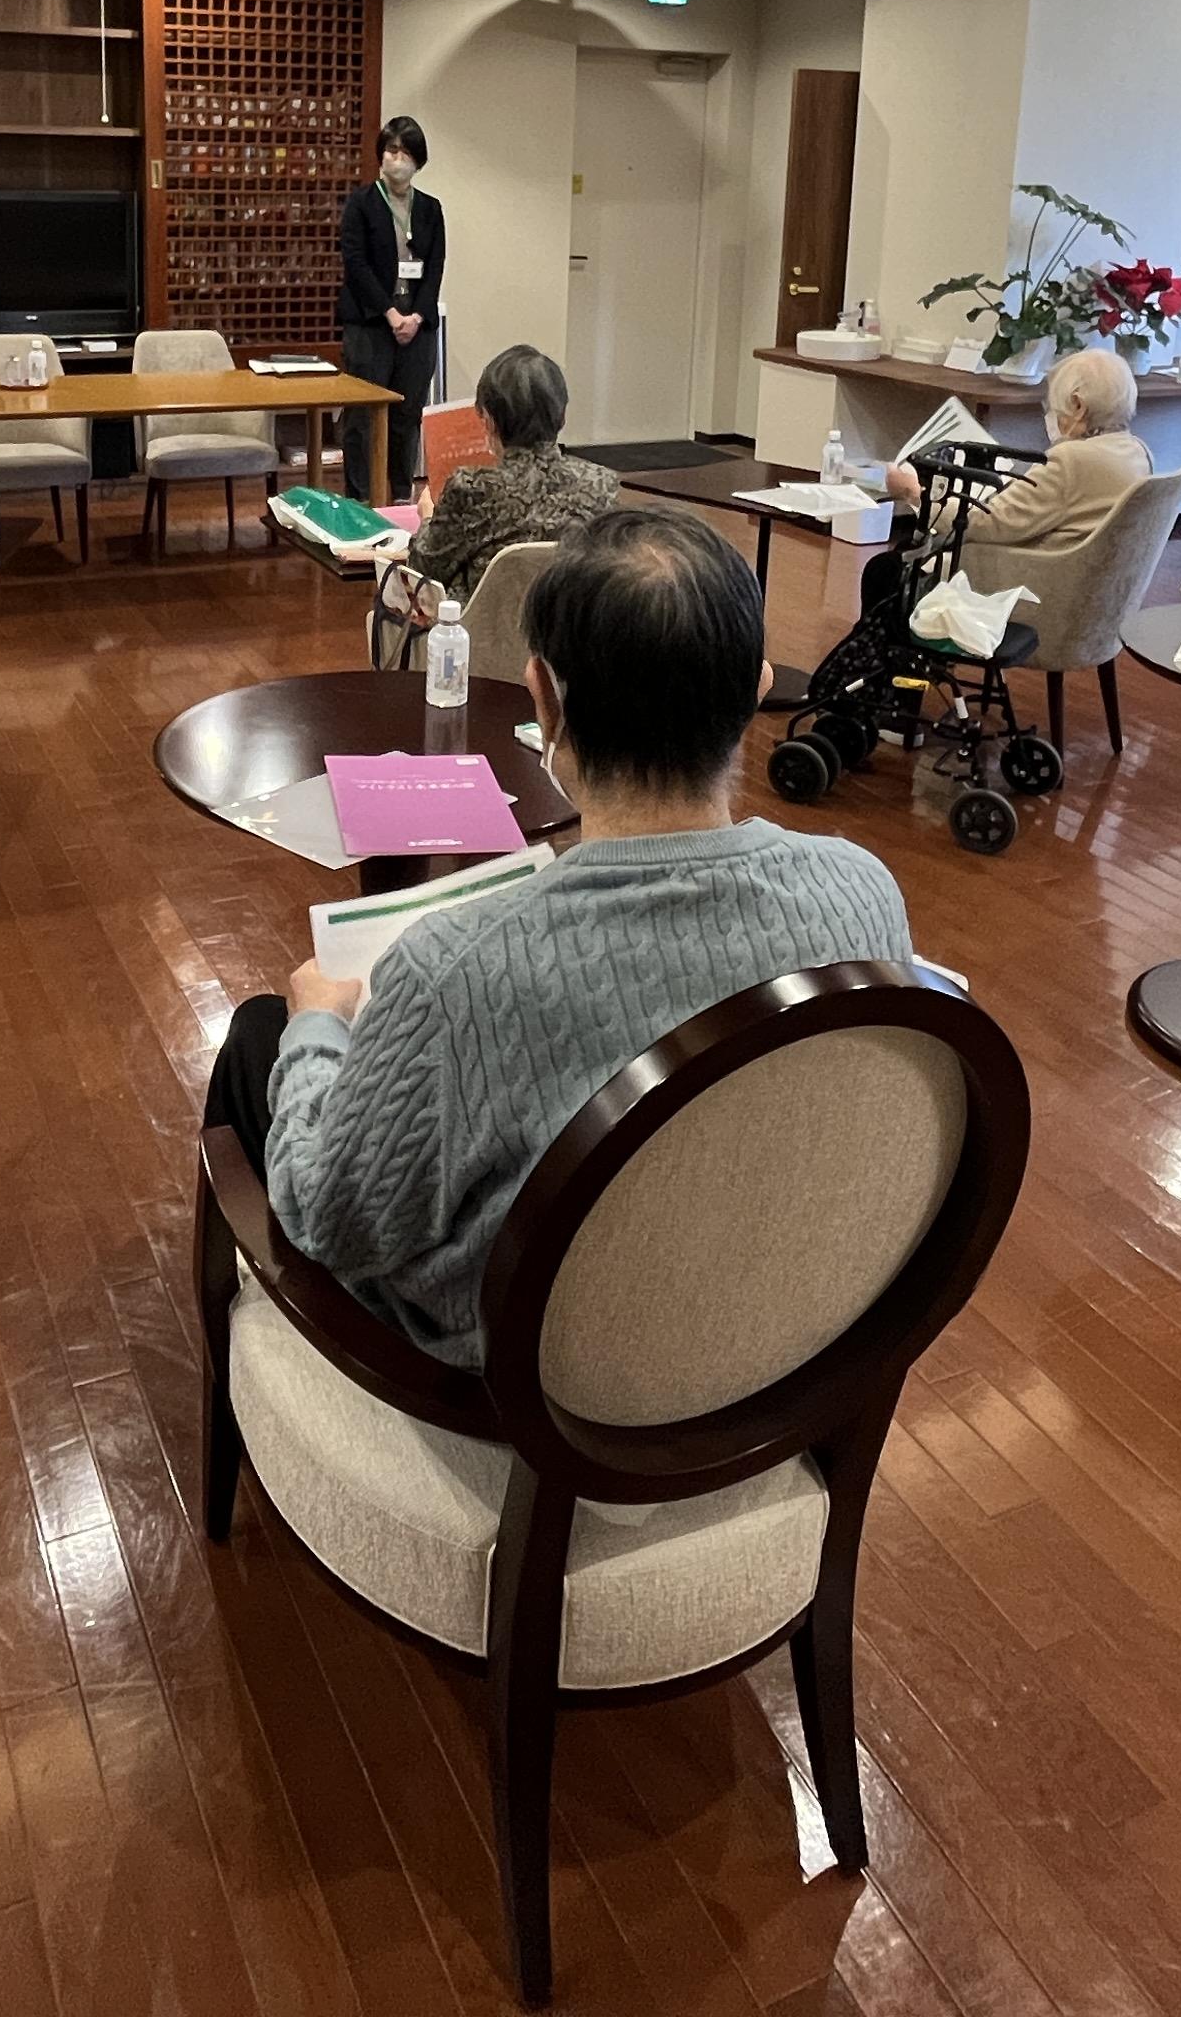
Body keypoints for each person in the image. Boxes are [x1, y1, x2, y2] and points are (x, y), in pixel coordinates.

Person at [199, 511, 909, 1364]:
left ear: (544, 698)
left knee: (263, 1033)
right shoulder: (865, 895)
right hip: (768, 1341)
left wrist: (317, 1026)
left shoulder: (455, 973)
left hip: (522, 1383)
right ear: (756, 687)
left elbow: (334, 1222)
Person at [379, 340, 618, 626]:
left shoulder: (473, 487)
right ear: (562, 416)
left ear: (489, 421)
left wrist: (427, 515)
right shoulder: (601, 484)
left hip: (480, 637)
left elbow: (425, 567)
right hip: (567, 637)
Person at [885, 345, 1152, 550]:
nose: (1052, 415)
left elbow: (986, 523)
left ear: (1078, 405)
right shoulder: (1138, 453)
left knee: (893, 566)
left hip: (1024, 576)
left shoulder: (1071, 460)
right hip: (1084, 577)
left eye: (1053, 405)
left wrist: (914, 492)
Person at [336, 114, 446, 501]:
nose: (397, 159)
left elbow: (435, 266)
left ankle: (401, 494)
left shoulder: (430, 208)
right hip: (371, 323)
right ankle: (360, 498)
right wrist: (391, 313)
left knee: (407, 413)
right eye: (391, 150)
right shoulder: (361, 204)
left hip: (417, 325)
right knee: (363, 416)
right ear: (381, 155)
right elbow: (356, 264)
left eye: (405, 152)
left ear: (419, 160)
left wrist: (416, 316)